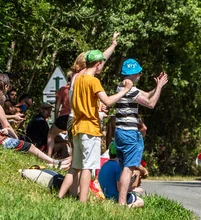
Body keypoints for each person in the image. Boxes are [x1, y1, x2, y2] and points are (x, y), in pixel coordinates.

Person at [57, 50, 134, 203]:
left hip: (77, 127)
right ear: (98, 64)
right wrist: (125, 90)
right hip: (90, 128)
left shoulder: (77, 79)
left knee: (75, 166)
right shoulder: (93, 81)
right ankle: (82, 202)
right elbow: (108, 101)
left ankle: (60, 196)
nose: (102, 68)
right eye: (102, 64)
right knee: (87, 167)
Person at [0, 79, 68, 168]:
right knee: (29, 146)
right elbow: (7, 126)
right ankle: (53, 162)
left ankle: (52, 162)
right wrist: (17, 139)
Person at [114, 58, 168, 206]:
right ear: (134, 74)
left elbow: (146, 95)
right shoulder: (130, 90)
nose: (140, 76)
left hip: (120, 131)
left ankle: (121, 198)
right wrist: (160, 88)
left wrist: (157, 86)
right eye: (139, 73)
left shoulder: (122, 87)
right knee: (128, 167)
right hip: (128, 133)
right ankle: (122, 202)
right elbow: (150, 103)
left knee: (125, 165)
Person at [98, 142, 144, 208]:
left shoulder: (104, 165)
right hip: (115, 198)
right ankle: (128, 207)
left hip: (105, 196)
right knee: (140, 201)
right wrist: (131, 186)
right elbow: (120, 189)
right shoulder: (117, 167)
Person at [46, 72, 72, 157]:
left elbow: (57, 107)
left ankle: (48, 156)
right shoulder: (77, 90)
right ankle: (73, 161)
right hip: (75, 117)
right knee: (73, 141)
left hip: (64, 117)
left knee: (51, 134)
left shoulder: (62, 90)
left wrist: (55, 120)